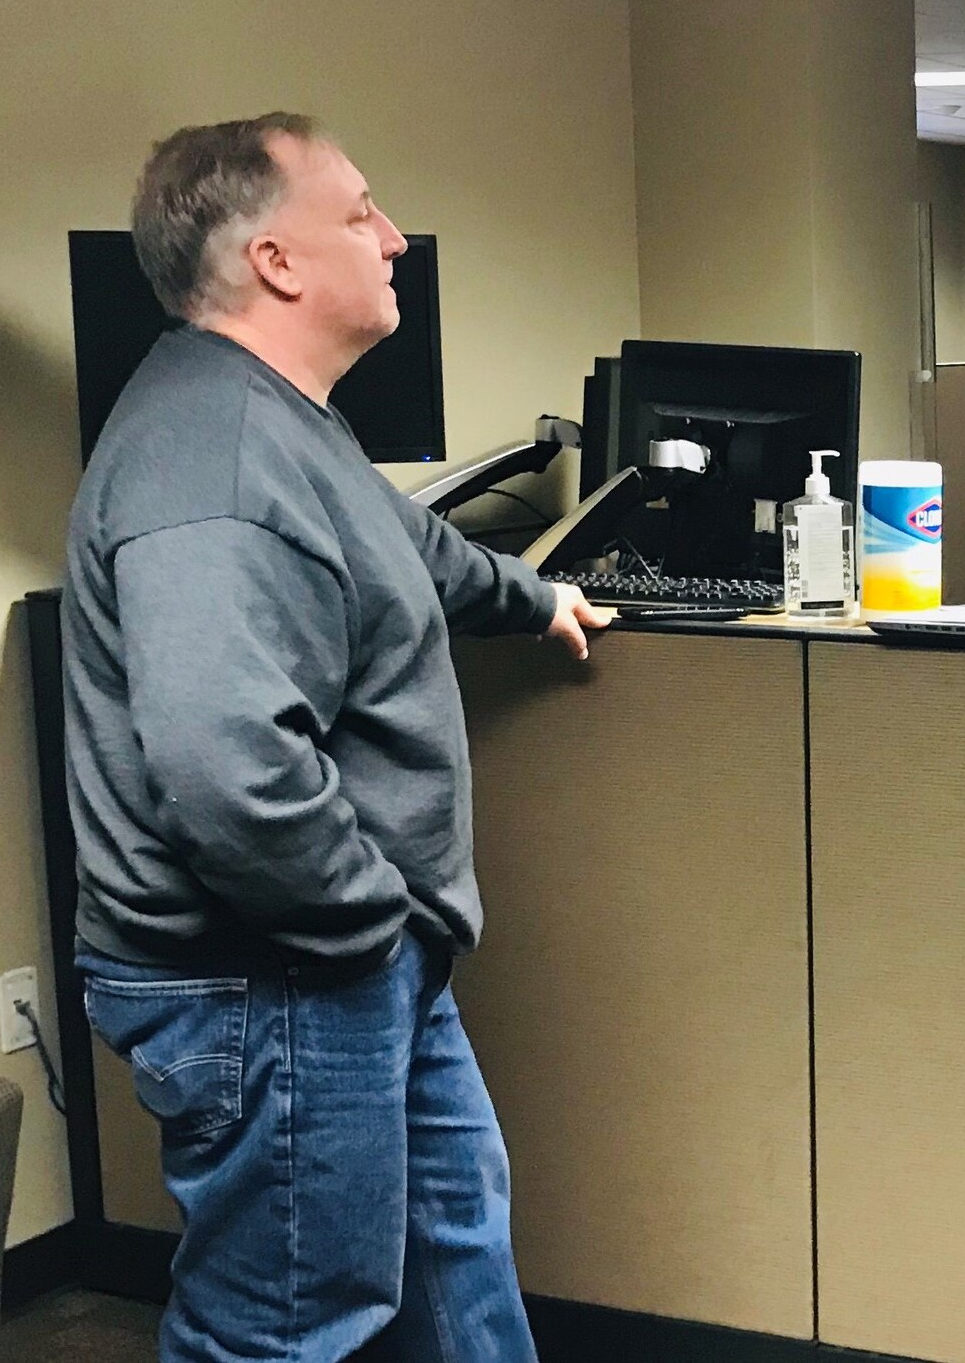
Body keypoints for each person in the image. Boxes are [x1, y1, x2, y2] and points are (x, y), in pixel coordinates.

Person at [63, 113, 612, 1362]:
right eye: (361, 210)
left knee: (452, 1265)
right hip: (280, 970)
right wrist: (370, 920)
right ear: (276, 262)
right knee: (285, 1330)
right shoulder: (213, 457)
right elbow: (222, 765)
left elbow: (400, 544)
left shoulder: (278, 415)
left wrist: (531, 597)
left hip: (344, 959)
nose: (395, 235)